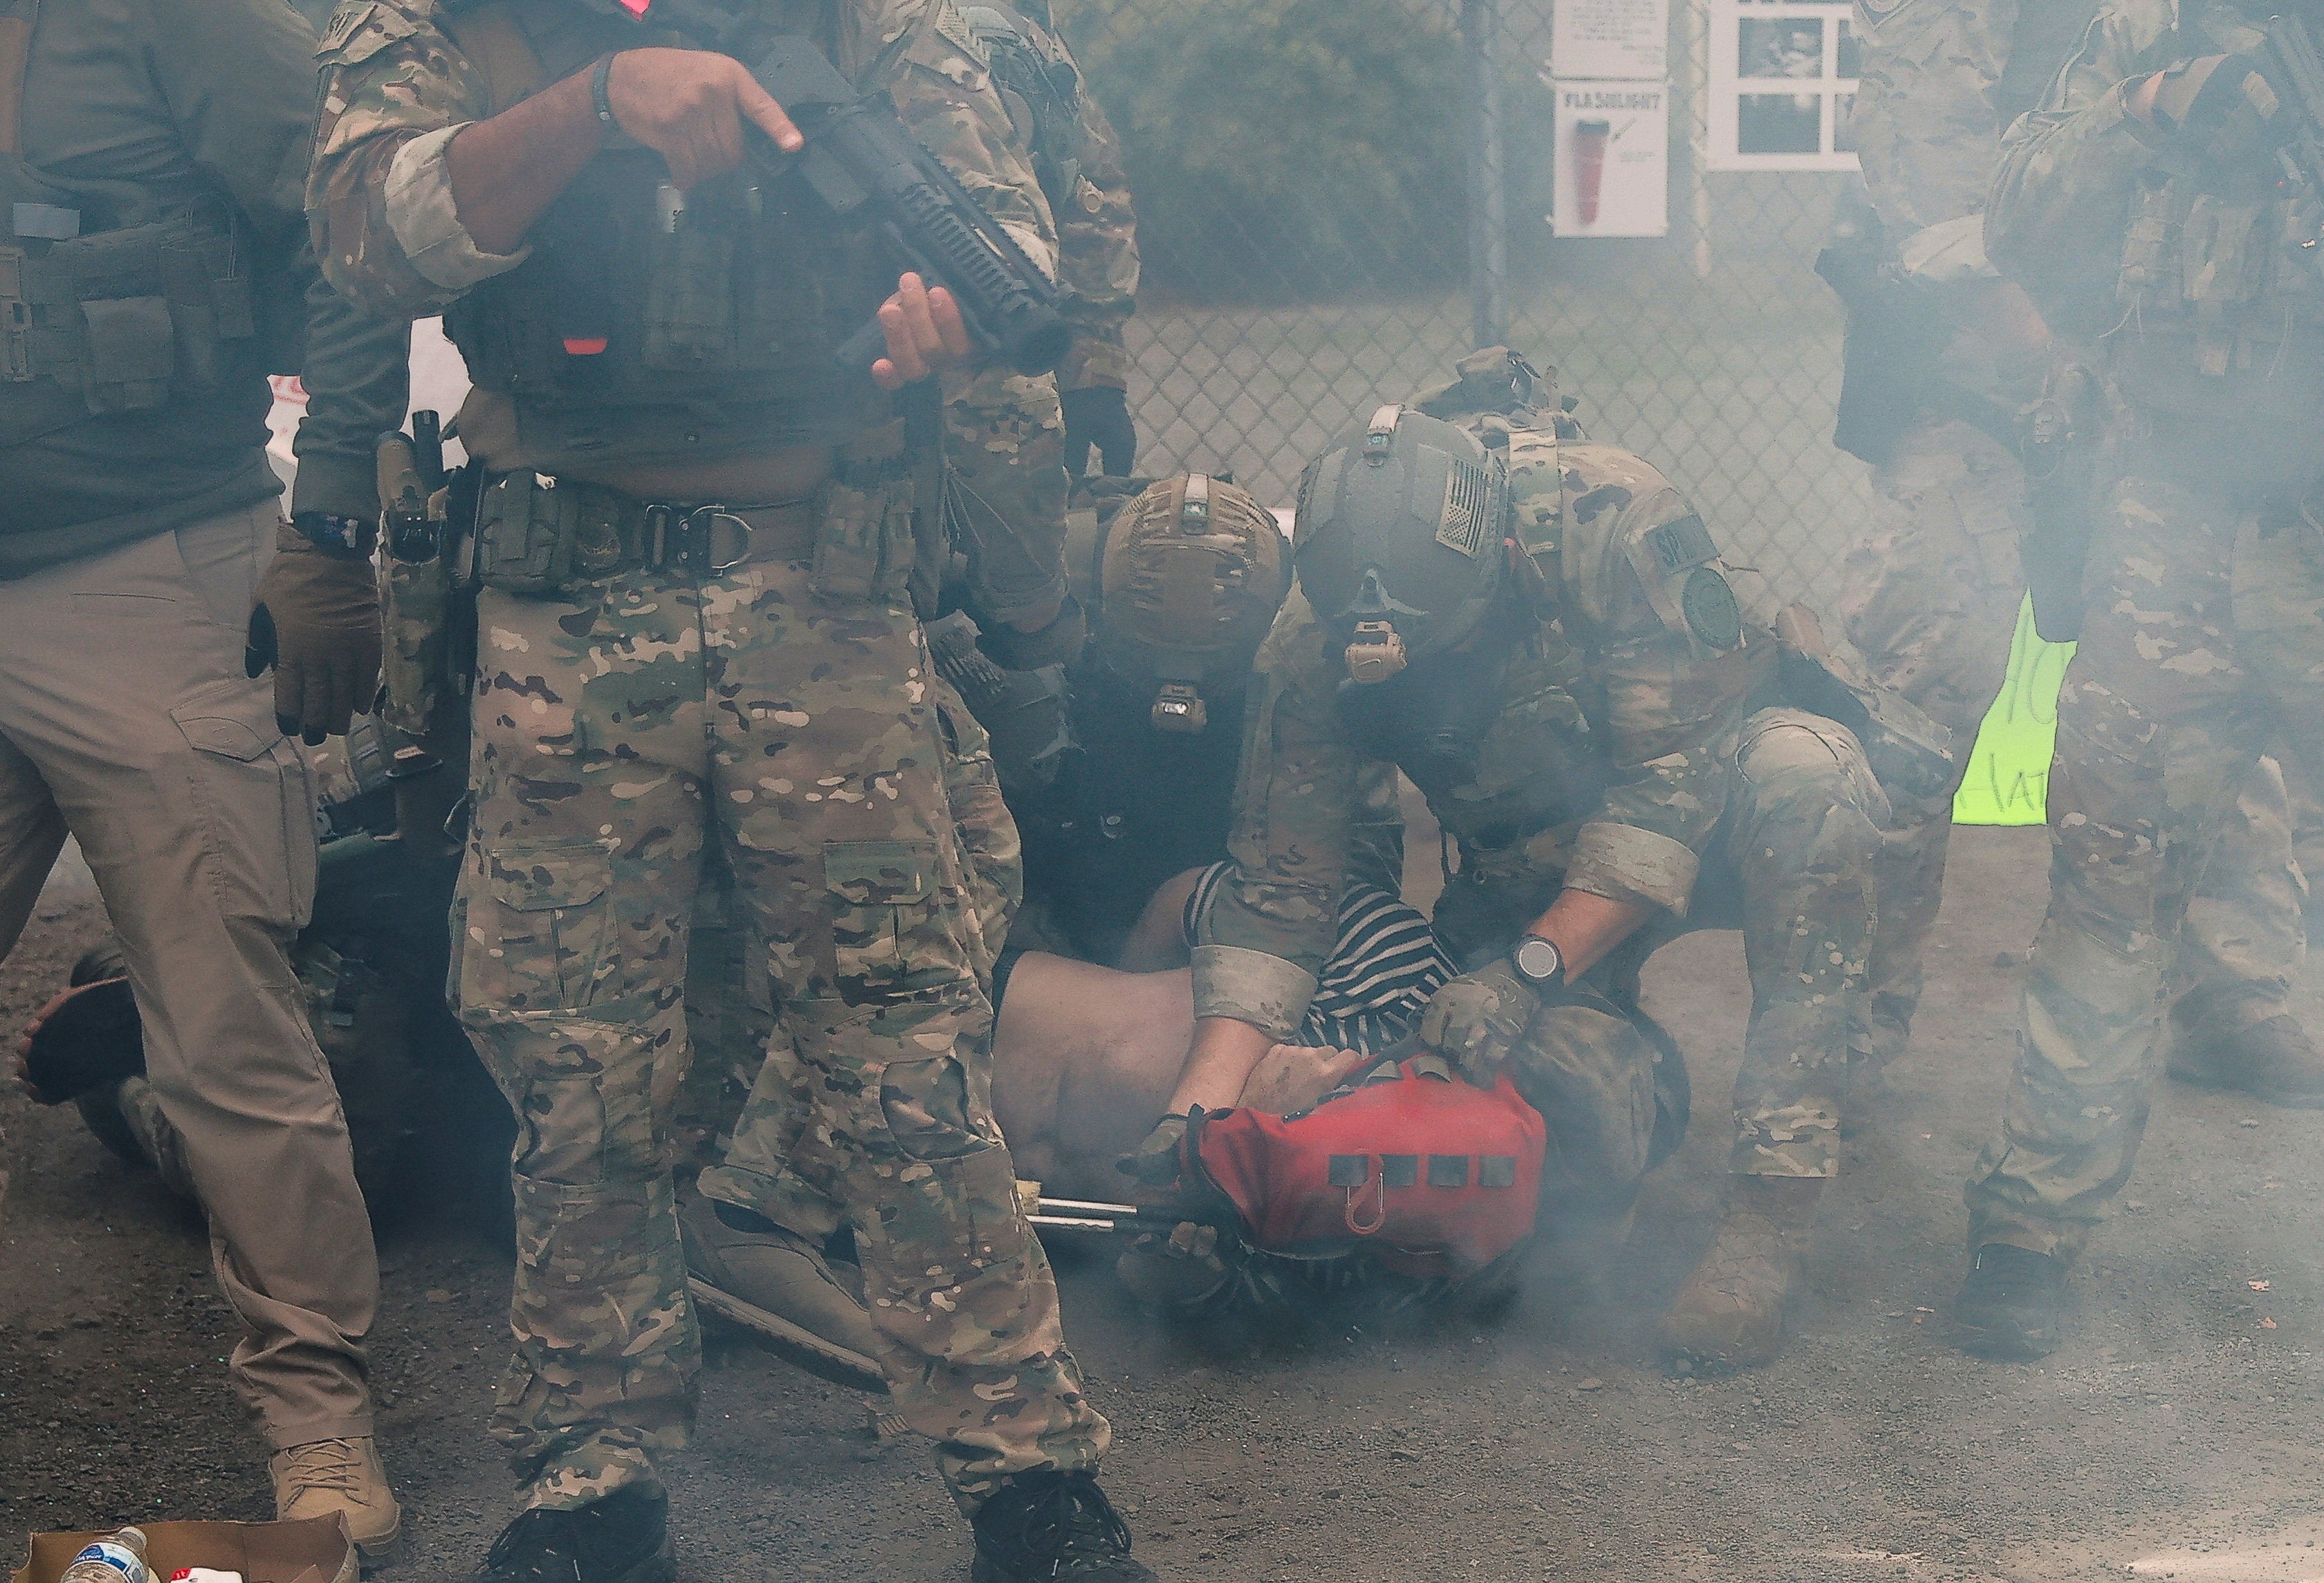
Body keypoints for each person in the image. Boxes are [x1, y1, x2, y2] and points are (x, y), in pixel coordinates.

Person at [308, 1, 1158, 1576]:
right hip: (561, 605)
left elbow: (1003, 245)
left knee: (900, 1052)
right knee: (579, 1072)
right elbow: (372, 229)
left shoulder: (882, 23)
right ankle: (596, 1477)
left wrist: (944, 326)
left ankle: (1029, 1475)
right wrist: (600, 102)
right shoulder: (462, 23)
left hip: (824, 596)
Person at [1129, 349, 1927, 1372]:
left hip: (1711, 802)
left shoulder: (1617, 525)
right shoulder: (1314, 635)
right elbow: (1279, 898)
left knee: (1807, 780)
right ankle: (1638, 1092)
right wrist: (1192, 1118)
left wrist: (1528, 971)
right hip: (1528, 868)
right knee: (1541, 1141)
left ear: (1505, 553)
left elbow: (1667, 792)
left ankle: (1766, 1226)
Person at [681, 473, 1451, 1371]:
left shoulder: (1353, 1220)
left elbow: (1228, 1293)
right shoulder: (1398, 976)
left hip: (1001, 1195)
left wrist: (1185, 1273)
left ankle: (736, 1233)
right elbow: (1210, 897)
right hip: (981, 1010)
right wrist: (1128, 990)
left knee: (736, 1157)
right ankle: (731, 1214)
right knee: (780, 1019)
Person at [0, 0, 409, 1554]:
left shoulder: (188, 20)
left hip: (148, 569)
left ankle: (320, 1435)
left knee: (229, 1035)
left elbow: (349, 246)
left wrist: (325, 528)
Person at [1837, 0, 2318, 1100]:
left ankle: (2232, 993)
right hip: (1982, 378)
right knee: (1918, 688)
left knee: (2191, 671)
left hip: (2155, 388)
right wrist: (2063, 332)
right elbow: (1933, 199)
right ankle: (1847, 1025)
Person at [1950, 0, 2324, 1360]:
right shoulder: (2152, 27)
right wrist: (2158, 104)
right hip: (2179, 519)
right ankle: (2031, 1233)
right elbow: (2021, 218)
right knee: (2109, 879)